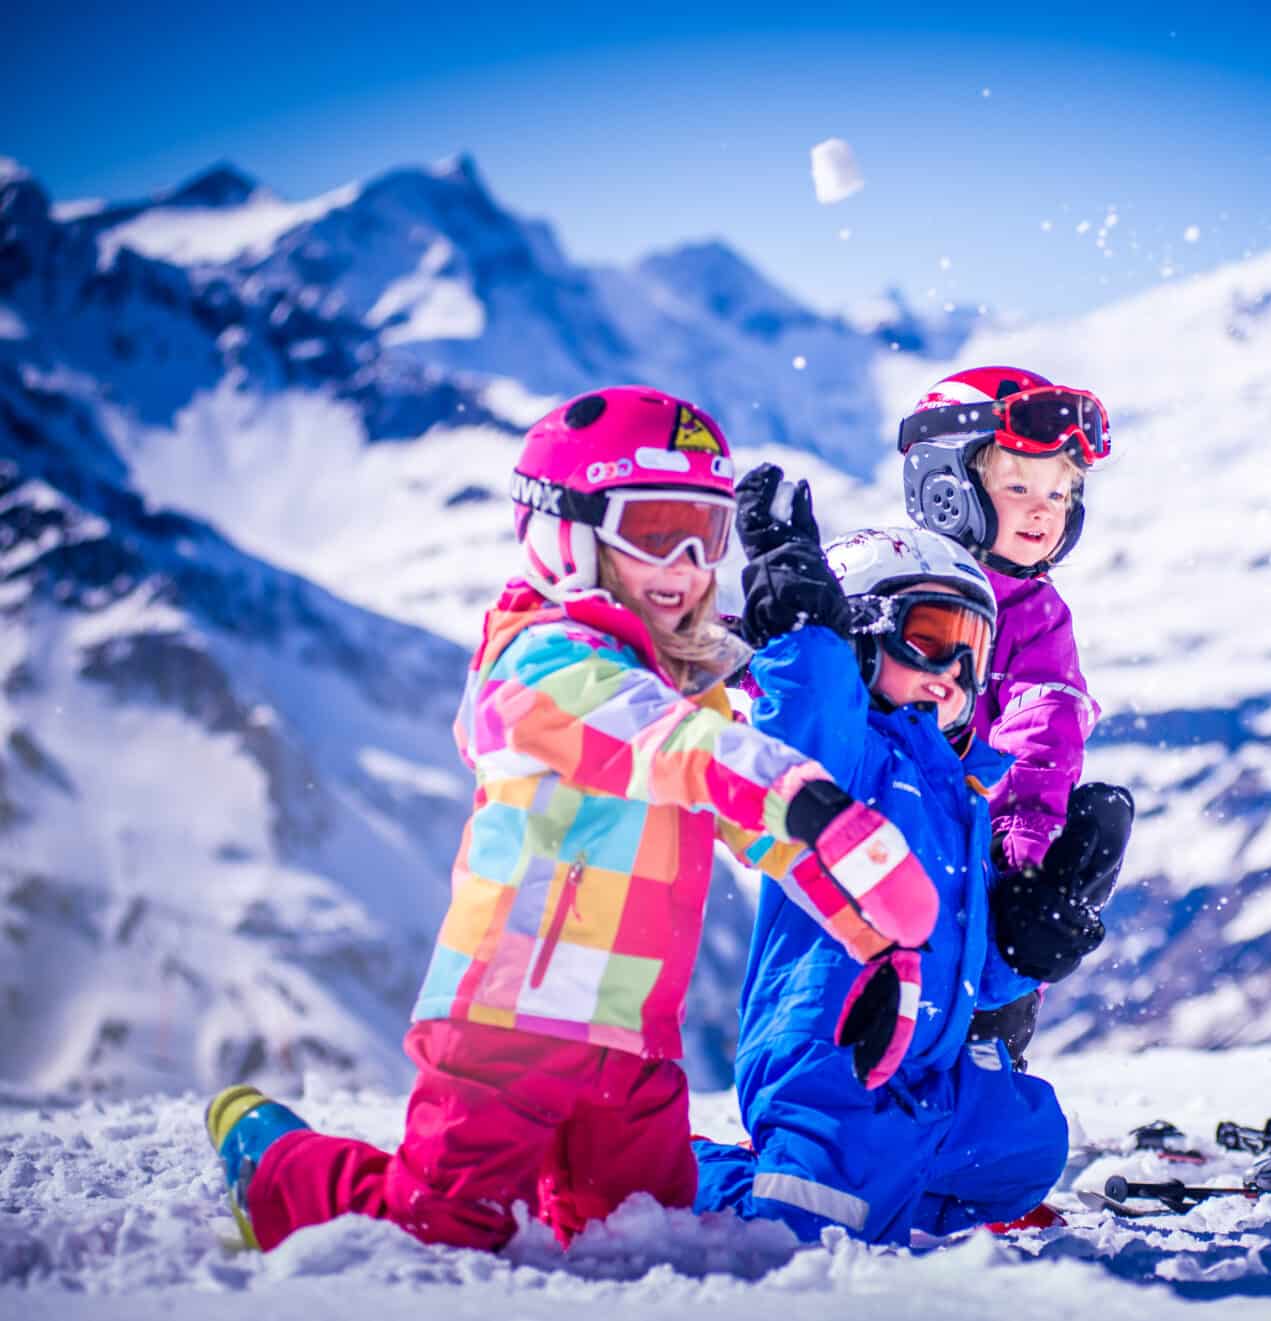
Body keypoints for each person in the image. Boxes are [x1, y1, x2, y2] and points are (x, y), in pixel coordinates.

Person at [203, 387, 941, 1255]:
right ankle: (274, 1163)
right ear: (566, 530)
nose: (687, 562)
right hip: (508, 1022)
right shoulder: (544, 665)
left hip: (637, 1042)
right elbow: (677, 749)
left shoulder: (679, 687)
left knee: (640, 1235)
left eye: (705, 535)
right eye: (655, 529)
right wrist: (803, 796)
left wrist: (879, 940)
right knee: (445, 1223)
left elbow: (756, 825)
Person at [694, 467, 1116, 1243]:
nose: (952, 673)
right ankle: (682, 1170)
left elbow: (972, 963)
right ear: (860, 637)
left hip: (933, 1077)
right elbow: (806, 727)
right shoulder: (849, 764)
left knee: (1029, 1147)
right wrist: (803, 632)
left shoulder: (962, 797)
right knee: (801, 1228)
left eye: (972, 649)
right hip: (834, 1069)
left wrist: (1032, 940)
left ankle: (892, 1185)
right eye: (928, 639)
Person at [898, 365, 1134, 1064]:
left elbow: (1044, 720)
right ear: (946, 491)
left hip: (988, 848)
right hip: (889, 845)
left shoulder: (1037, 615)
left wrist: (1026, 847)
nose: (1044, 510)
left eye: (1060, 492)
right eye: (1020, 487)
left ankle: (990, 1052)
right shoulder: (889, 582)